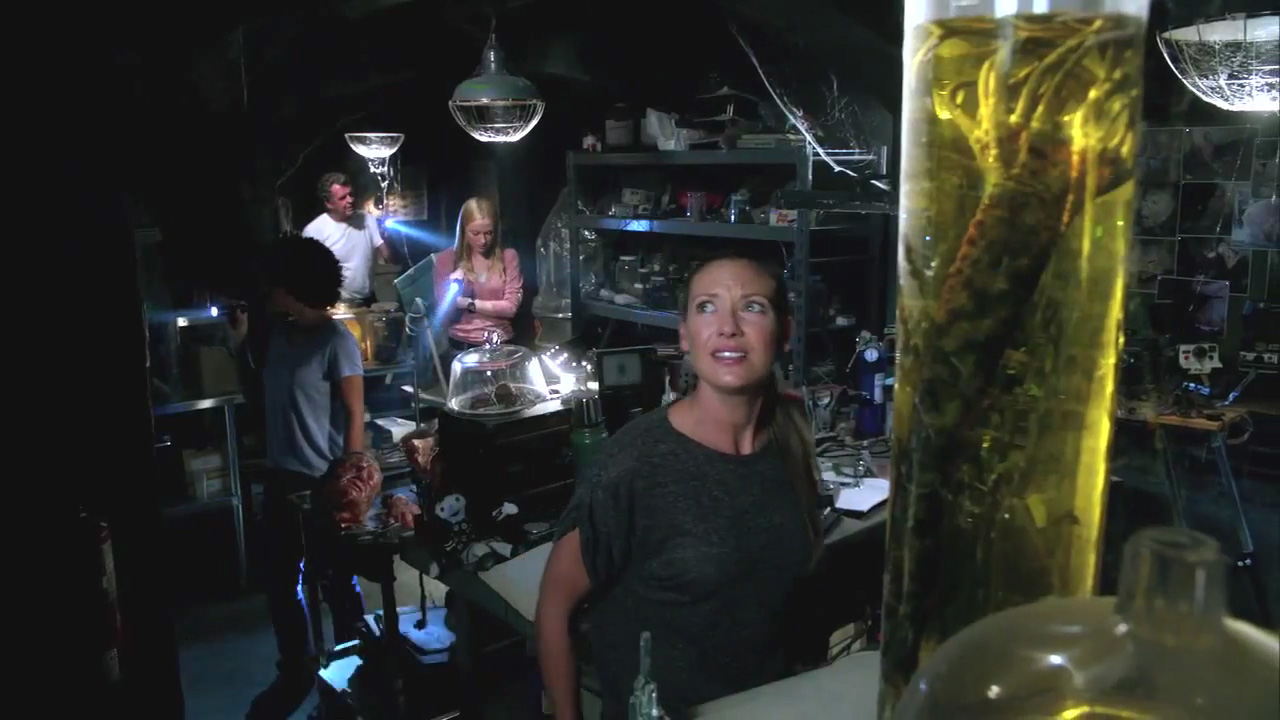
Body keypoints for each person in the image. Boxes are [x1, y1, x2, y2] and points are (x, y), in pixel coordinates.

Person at [535, 256, 823, 720]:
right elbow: (554, 607)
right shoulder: (636, 463)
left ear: (784, 332)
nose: (728, 327)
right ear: (685, 335)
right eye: (707, 307)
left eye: (752, 307)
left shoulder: (790, 441)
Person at [231, 234, 369, 720]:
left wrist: (351, 479)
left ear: (293, 286)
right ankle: (297, 667)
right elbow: (260, 397)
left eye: (275, 283)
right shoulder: (279, 336)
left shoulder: (337, 341)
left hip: (322, 482)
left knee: (337, 583)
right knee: (280, 582)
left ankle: (354, 670)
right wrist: (239, 344)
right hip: (281, 480)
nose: (268, 291)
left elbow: (355, 414)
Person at [431, 197, 524, 351]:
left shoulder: (509, 257)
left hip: (501, 343)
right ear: (463, 231)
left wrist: (469, 304)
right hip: (461, 345)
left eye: (489, 233)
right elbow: (443, 314)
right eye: (475, 233)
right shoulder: (446, 260)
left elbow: (510, 308)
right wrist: (456, 287)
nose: (483, 240)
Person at [302, 172, 391, 305]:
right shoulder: (314, 231)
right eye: (342, 197)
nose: (350, 200)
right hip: (337, 304)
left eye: (351, 194)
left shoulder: (367, 219)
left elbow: (387, 254)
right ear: (328, 203)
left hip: (369, 299)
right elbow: (309, 276)